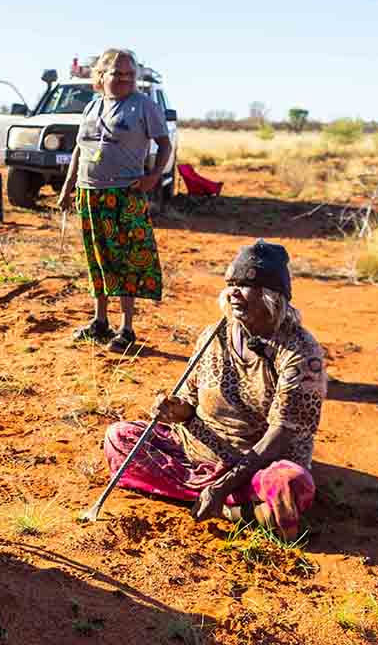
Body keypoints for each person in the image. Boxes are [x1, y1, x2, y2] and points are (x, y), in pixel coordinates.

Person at [102, 241, 327, 539]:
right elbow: (189, 404)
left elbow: (280, 434)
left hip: (257, 464)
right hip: (194, 453)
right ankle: (238, 511)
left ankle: (224, 500)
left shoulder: (300, 351)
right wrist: (176, 410)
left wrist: (223, 486)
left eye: (245, 284)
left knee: (291, 483)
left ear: (272, 295)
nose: (232, 291)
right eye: (230, 283)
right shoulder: (213, 335)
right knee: (118, 437)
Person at [57, 48, 172, 352]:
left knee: (125, 261)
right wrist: (68, 187)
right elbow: (80, 150)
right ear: (101, 75)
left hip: (125, 194)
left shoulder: (143, 106)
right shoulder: (91, 107)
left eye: (129, 74)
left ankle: (127, 328)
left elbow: (164, 145)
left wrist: (153, 177)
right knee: (98, 258)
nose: (124, 79)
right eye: (117, 73)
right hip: (89, 192)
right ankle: (99, 322)